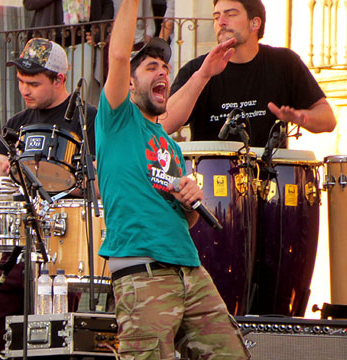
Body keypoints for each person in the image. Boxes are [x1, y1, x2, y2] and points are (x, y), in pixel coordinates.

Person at [94, 0, 249, 358]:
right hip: (143, 273)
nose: (162, 72)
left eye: (165, 66)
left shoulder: (168, 145)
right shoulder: (117, 120)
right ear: (130, 84)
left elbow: (189, 218)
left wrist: (190, 198)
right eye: (151, 67)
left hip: (190, 271)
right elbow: (118, 56)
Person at [0, 37, 98, 360]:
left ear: (60, 79)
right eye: (20, 82)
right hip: (20, 245)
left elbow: (104, 181)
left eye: (33, 83)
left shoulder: (87, 118)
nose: (24, 90)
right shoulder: (16, 124)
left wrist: (74, 185)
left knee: (51, 338)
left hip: (65, 245)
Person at [163, 0, 336, 147]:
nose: (221, 22)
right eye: (216, 17)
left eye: (230, 14)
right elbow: (164, 124)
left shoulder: (285, 63)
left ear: (255, 23)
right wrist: (202, 76)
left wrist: (302, 117)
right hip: (210, 182)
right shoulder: (196, 69)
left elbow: (328, 120)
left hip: (271, 179)